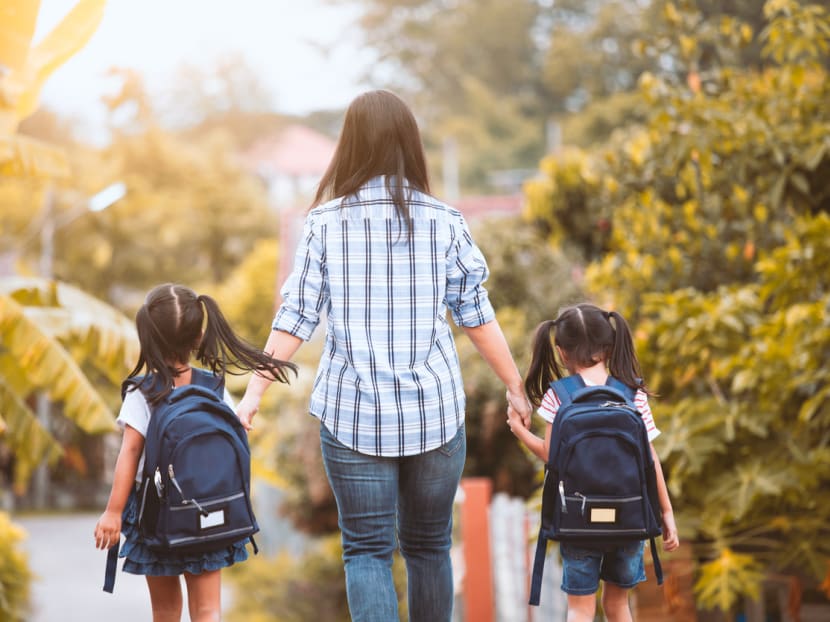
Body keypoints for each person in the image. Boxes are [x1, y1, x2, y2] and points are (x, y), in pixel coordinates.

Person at [235, 89, 532, 622]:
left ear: (350, 146)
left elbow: (295, 316)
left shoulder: (324, 224)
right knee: (429, 548)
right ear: (408, 145)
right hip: (435, 412)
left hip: (352, 413)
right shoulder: (445, 221)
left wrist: (253, 392)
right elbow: (476, 316)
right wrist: (515, 385)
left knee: (367, 551)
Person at [94, 283, 295, 622]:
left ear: (148, 335)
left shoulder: (143, 393)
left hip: (156, 516)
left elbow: (129, 454)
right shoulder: (215, 389)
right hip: (210, 514)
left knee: (166, 611)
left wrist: (113, 513)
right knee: (207, 611)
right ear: (199, 337)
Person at [507, 303, 679, 622]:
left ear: (561, 353)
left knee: (580, 609)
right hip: (629, 521)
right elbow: (650, 459)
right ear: (610, 347)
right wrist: (666, 512)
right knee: (617, 606)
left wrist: (519, 430)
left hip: (578, 523)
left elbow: (550, 454)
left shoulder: (559, 395)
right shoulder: (632, 394)